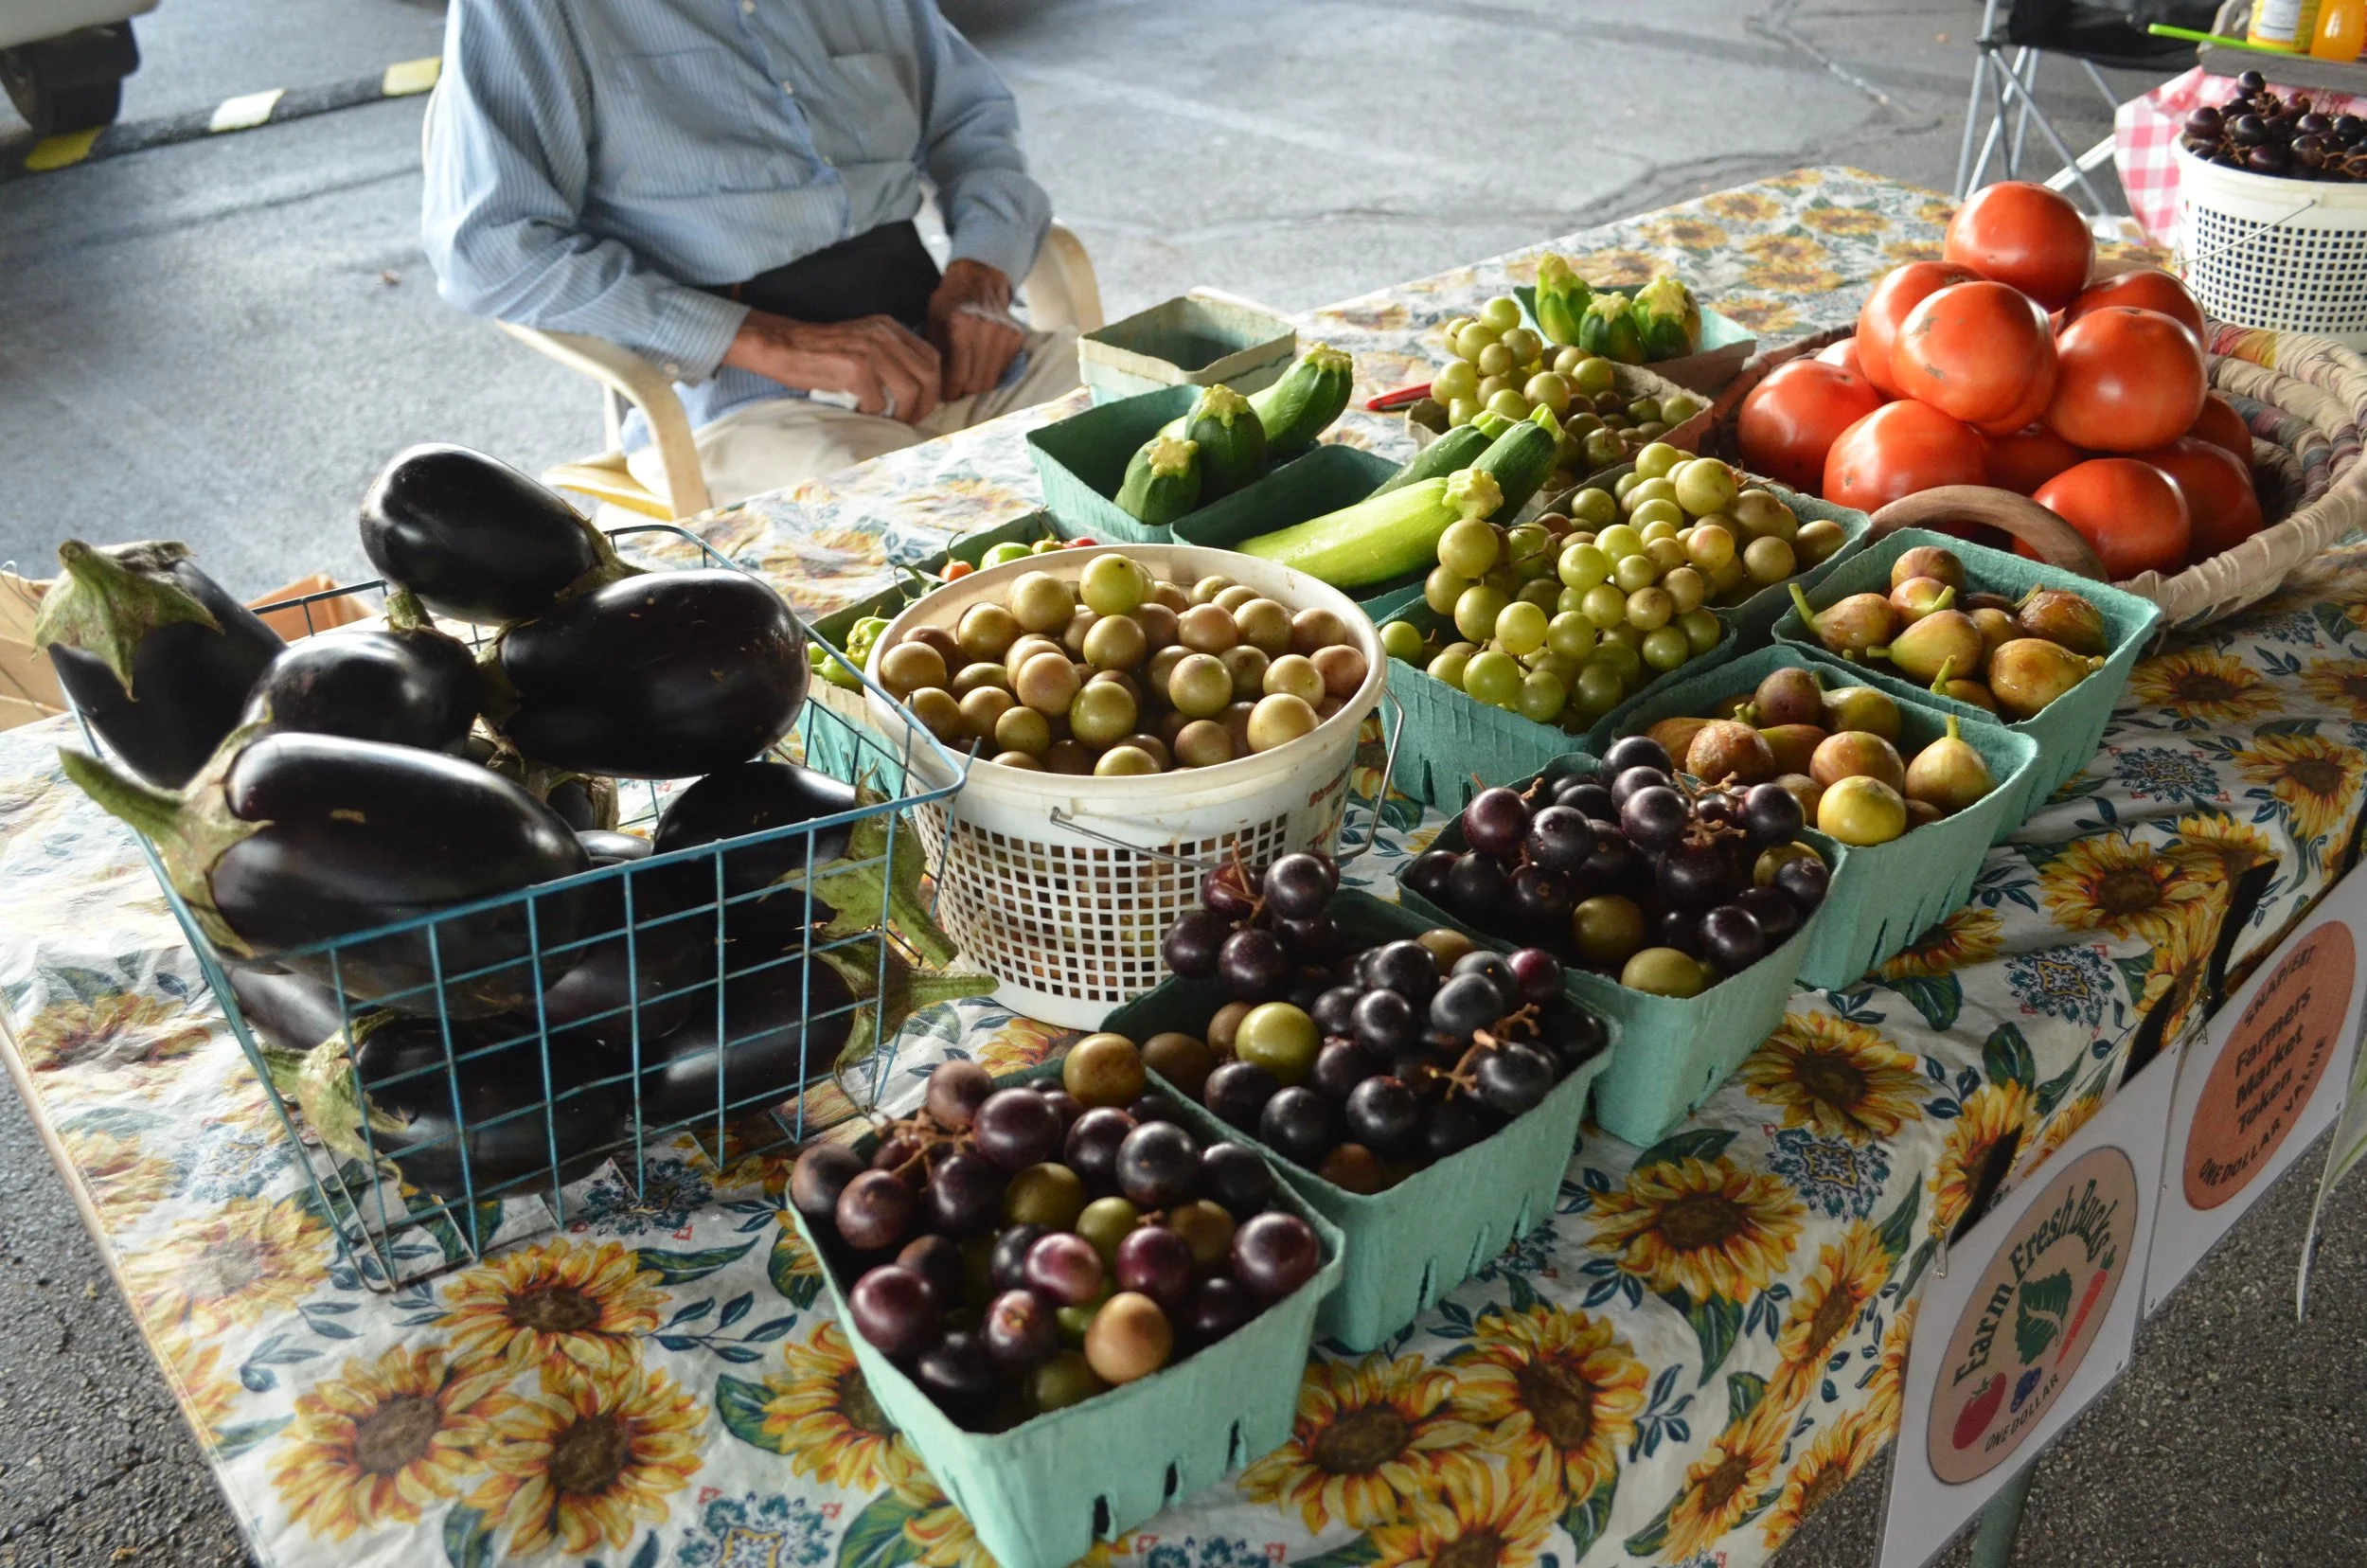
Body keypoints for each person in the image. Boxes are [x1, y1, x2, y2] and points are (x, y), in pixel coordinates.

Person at [420, 0, 1081, 508]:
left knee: (1136, 418)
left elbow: (973, 123)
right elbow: (490, 246)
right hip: (743, 403)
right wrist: (772, 341)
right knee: (919, 526)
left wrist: (980, 278)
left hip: (947, 347)